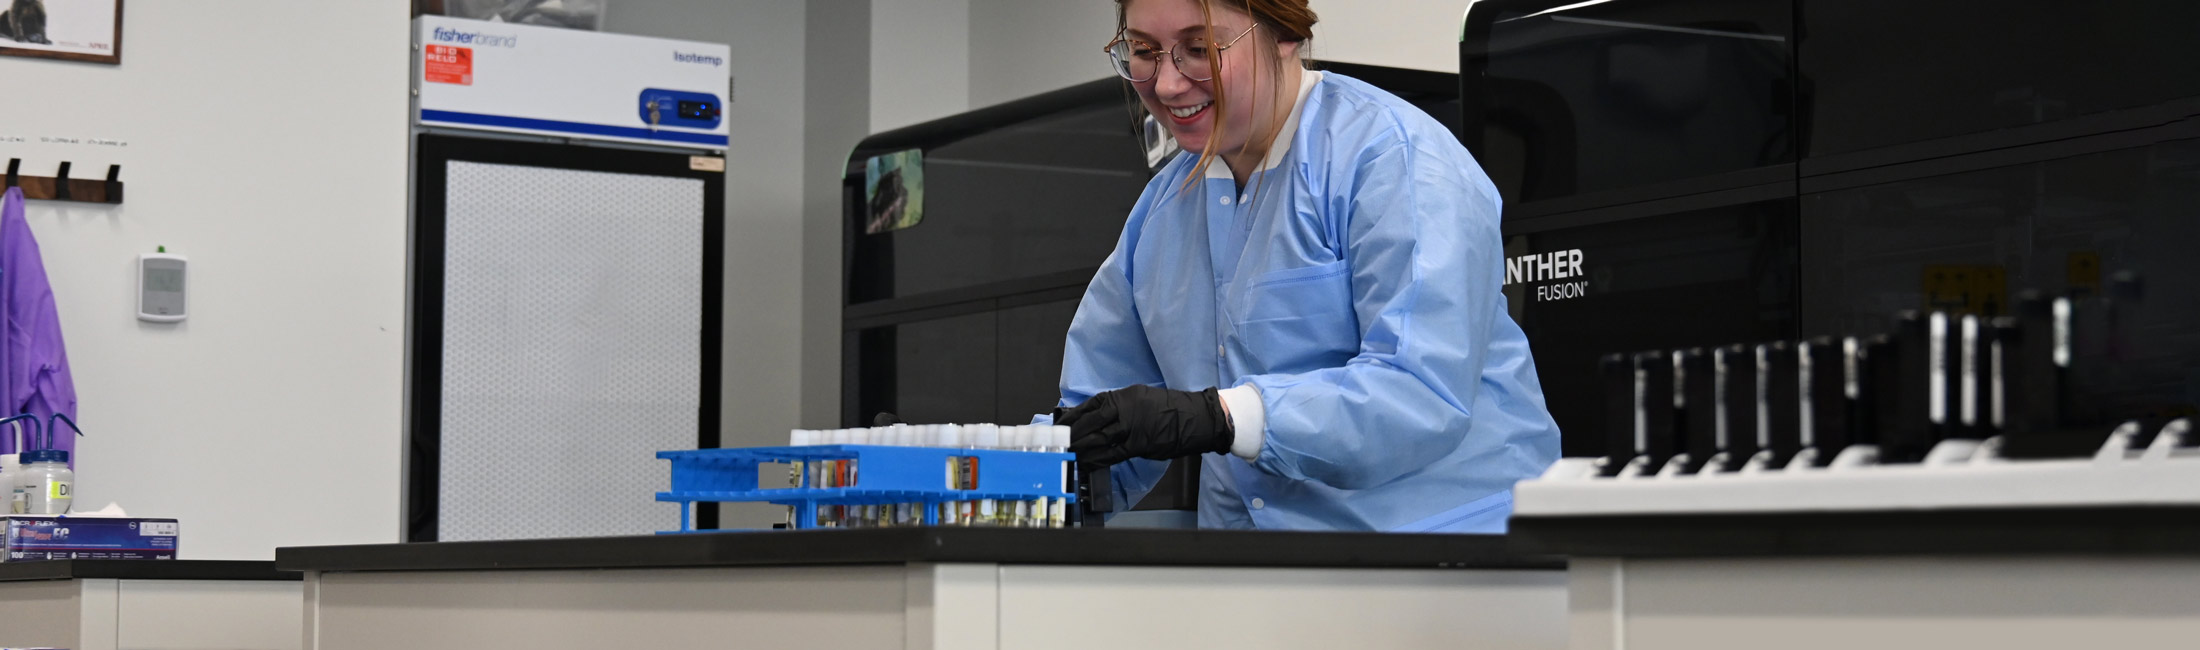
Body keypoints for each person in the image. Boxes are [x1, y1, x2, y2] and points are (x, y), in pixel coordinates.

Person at [1046, 0, 1560, 532]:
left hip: (1445, 561)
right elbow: (1098, 420)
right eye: (1144, 52)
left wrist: (1223, 418)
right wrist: (1016, 477)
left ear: (1286, 35)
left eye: (1199, 49)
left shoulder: (1396, 162)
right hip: (1254, 573)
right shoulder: (1163, 212)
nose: (1169, 84)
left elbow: (1421, 394)